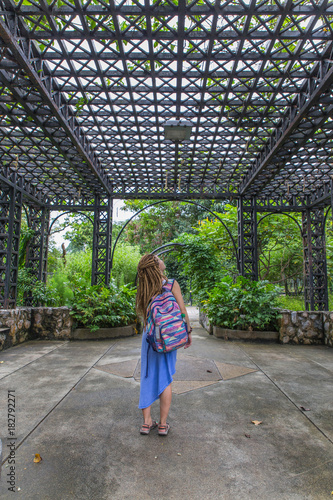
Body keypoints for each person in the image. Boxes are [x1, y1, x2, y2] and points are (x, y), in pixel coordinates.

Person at [136, 253, 192, 436]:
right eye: (159, 258)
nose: (162, 260)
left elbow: (144, 316)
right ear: (156, 265)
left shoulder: (145, 286)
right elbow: (183, 311)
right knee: (165, 378)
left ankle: (146, 423)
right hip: (169, 337)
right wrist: (187, 331)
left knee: (147, 375)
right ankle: (162, 424)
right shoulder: (172, 284)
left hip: (151, 337)